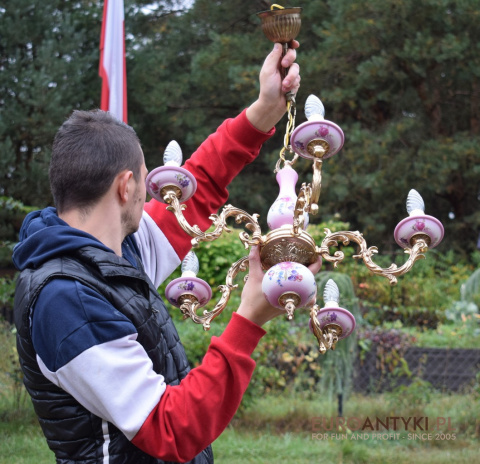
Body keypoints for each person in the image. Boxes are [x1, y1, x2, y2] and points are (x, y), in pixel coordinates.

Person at [13, 42, 320, 464]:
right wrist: (249, 318)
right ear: (126, 187)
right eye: (146, 180)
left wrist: (265, 109)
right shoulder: (67, 299)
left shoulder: (116, 251)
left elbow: (200, 183)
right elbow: (170, 430)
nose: (155, 194)